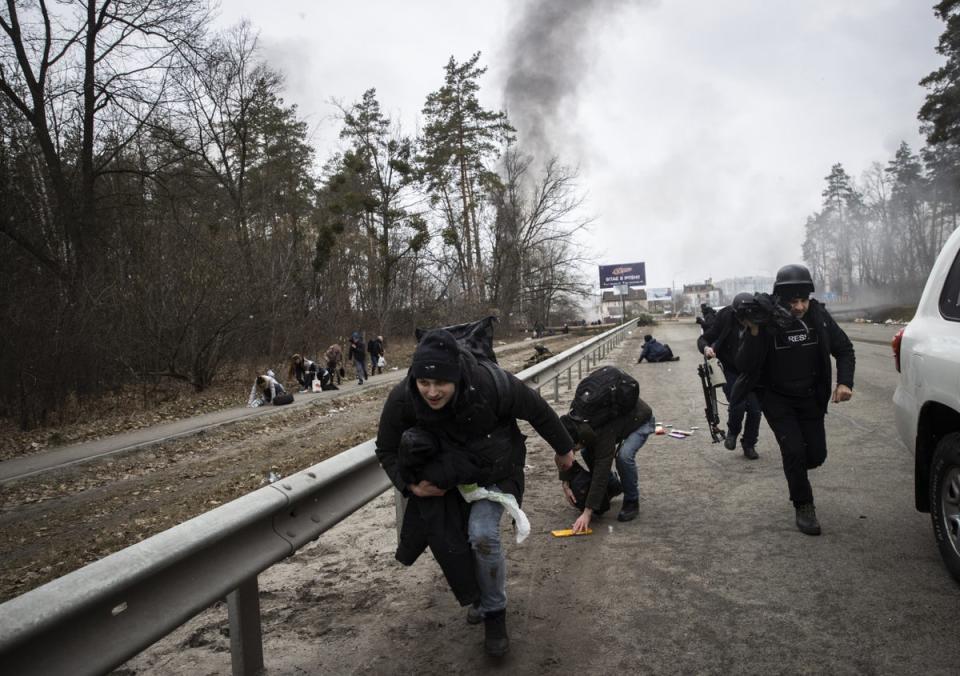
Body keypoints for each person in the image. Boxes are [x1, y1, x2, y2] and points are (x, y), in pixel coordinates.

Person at [375, 328, 576, 657]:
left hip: (495, 469)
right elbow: (385, 449)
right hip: (446, 476)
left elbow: (537, 409)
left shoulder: (490, 383)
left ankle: (495, 614)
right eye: (425, 383)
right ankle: (481, 596)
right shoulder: (404, 397)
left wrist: (564, 450)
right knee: (453, 543)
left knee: (482, 534)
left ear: (456, 376)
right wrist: (410, 485)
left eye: (441, 383)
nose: (432, 392)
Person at [734, 264, 855, 536]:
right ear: (781, 299)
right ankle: (804, 505)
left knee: (816, 455)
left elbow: (845, 349)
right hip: (778, 400)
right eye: (793, 301)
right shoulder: (765, 322)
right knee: (794, 452)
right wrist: (753, 333)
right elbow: (744, 364)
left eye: (804, 300)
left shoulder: (819, 317)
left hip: (811, 397)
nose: (799, 307)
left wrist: (845, 382)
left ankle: (798, 467)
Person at [559, 393, 655, 530]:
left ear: (579, 440)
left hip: (641, 421)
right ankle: (613, 486)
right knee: (587, 452)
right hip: (621, 423)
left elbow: (601, 470)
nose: (574, 451)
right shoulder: (573, 419)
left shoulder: (603, 430)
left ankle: (632, 501)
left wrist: (587, 513)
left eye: (574, 448)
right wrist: (565, 482)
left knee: (624, 456)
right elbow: (563, 454)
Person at [697, 293, 762, 460]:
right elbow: (704, 338)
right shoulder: (725, 317)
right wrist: (706, 348)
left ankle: (749, 443)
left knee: (755, 410)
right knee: (738, 403)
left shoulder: (760, 321)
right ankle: (733, 432)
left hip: (751, 371)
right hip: (730, 369)